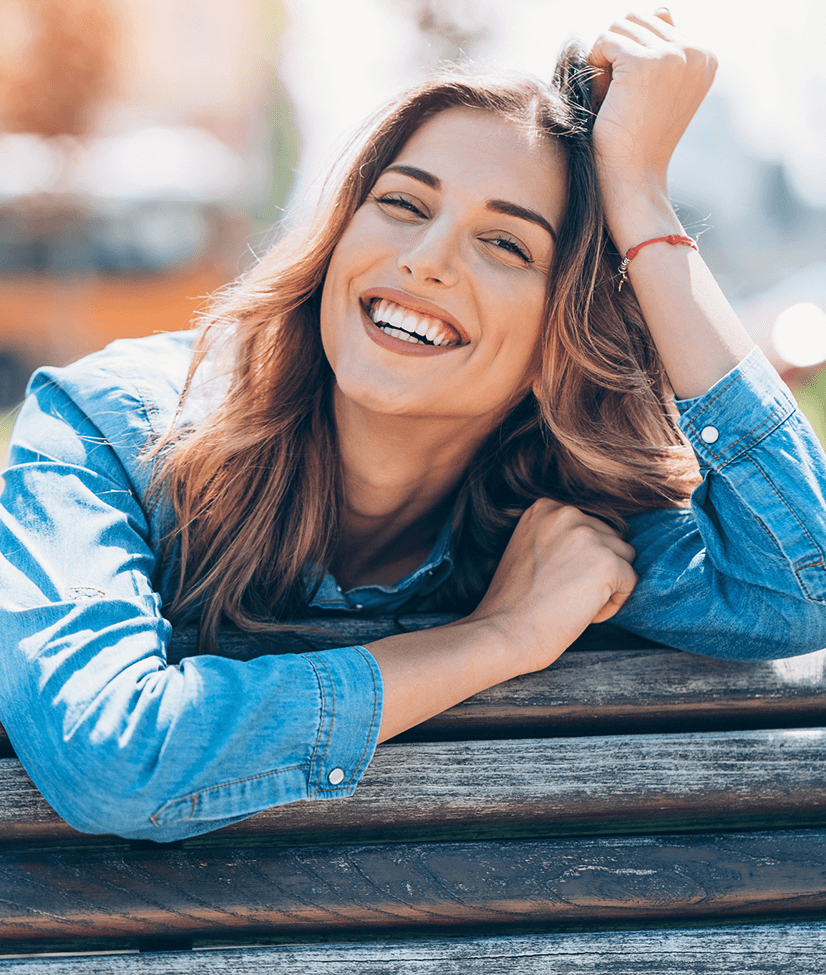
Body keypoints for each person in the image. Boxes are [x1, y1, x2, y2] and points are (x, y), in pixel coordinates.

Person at [2, 10, 825, 843]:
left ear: (559, 338)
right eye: (402, 203)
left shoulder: (555, 525)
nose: (427, 258)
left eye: (505, 244)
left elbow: (796, 587)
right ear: (336, 241)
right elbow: (112, 756)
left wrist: (641, 199)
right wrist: (498, 637)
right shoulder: (109, 429)